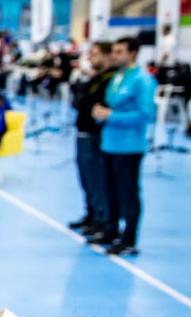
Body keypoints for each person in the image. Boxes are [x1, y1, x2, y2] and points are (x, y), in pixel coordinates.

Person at [90, 36, 156, 257]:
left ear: (132, 53)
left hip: (129, 146)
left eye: (120, 52)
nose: (114, 55)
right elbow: (110, 103)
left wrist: (113, 116)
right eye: (114, 51)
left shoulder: (143, 80)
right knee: (110, 191)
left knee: (128, 193)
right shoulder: (117, 77)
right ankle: (111, 230)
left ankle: (129, 238)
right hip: (109, 143)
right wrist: (100, 114)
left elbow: (146, 114)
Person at [69, 42, 116, 234]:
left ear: (106, 56)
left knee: (97, 179)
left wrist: (85, 101)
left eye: (95, 54)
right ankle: (90, 212)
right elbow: (78, 102)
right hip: (82, 132)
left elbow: (89, 104)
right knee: (86, 177)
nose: (90, 58)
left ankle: (101, 217)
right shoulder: (92, 79)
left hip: (95, 135)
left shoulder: (108, 80)